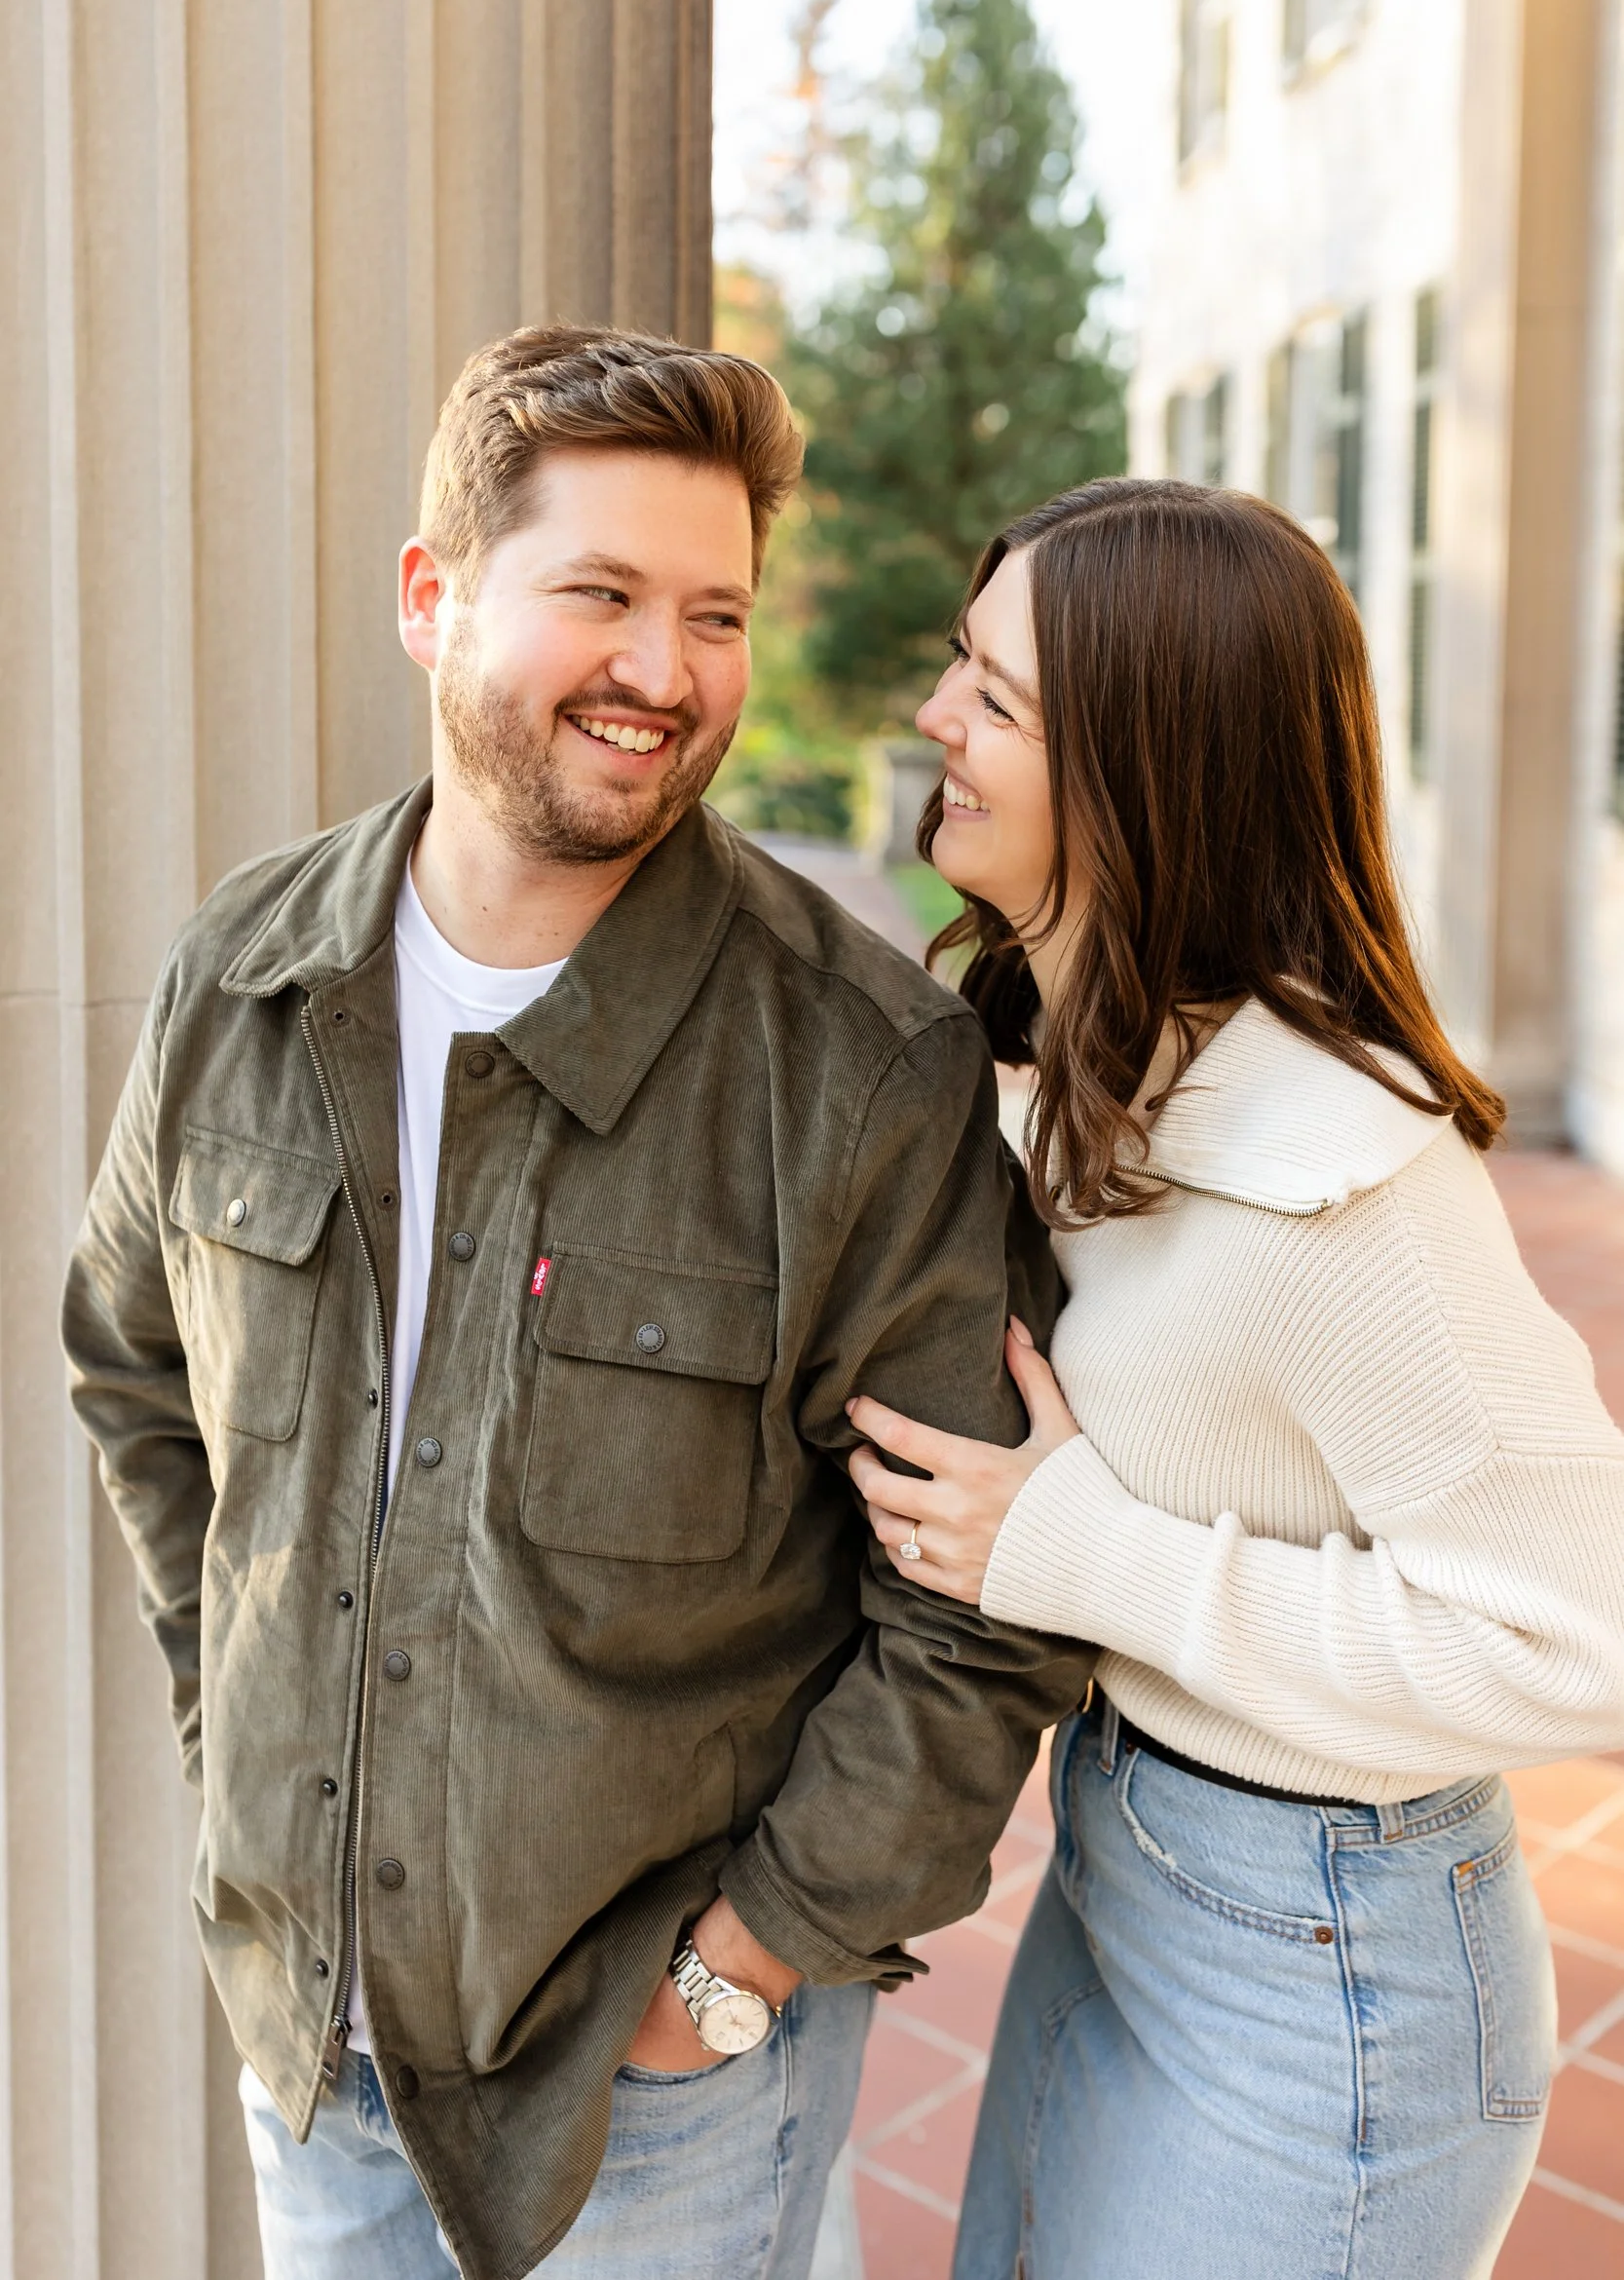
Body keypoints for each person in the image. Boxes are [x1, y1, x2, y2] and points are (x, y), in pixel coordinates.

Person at [61, 324, 1090, 2280]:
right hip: (317, 2036)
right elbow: (135, 1361)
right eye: (600, 592)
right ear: (431, 596)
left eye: (715, 612)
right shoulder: (243, 977)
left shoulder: (856, 1067)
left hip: (661, 2089)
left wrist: (739, 1963)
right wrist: (239, 1721)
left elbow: (977, 1600)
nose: (664, 670)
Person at [846, 476, 1624, 2280]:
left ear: (1142, 773)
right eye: (959, 666)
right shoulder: (1087, 1060)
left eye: (997, 701)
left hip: (1326, 1969)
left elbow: (1587, 1632)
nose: (931, 721)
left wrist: (1082, 1554)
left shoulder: (1342, 1175)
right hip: (1136, 1862)